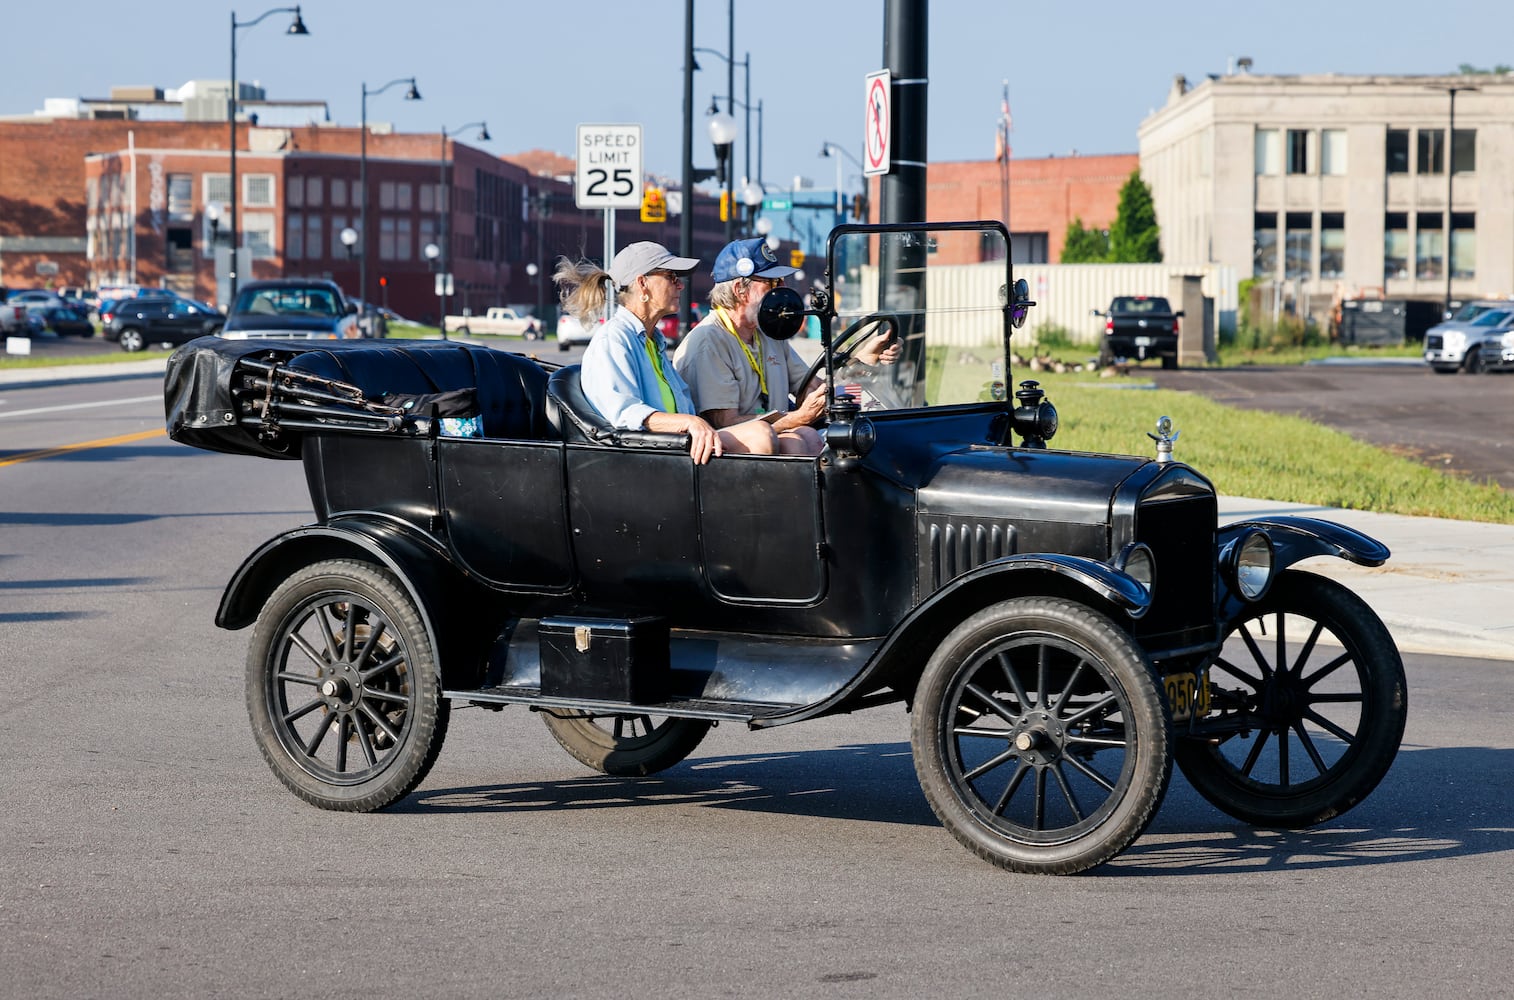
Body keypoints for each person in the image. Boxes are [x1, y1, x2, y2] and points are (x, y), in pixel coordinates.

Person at [555, 241, 777, 464]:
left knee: (798, 438)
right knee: (761, 436)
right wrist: (689, 422)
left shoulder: (653, 341)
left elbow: (683, 407)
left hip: (673, 448)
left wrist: (695, 423)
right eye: (671, 277)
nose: (680, 285)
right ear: (643, 283)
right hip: (648, 458)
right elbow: (625, 414)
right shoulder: (613, 338)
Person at [674, 238, 901, 456]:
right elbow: (725, 422)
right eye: (771, 283)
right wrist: (798, 418)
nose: (780, 290)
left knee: (813, 437)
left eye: (780, 282)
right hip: (730, 454)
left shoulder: (768, 333)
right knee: (797, 440)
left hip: (775, 434)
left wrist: (861, 362)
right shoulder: (709, 341)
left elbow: (813, 388)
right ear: (739, 290)